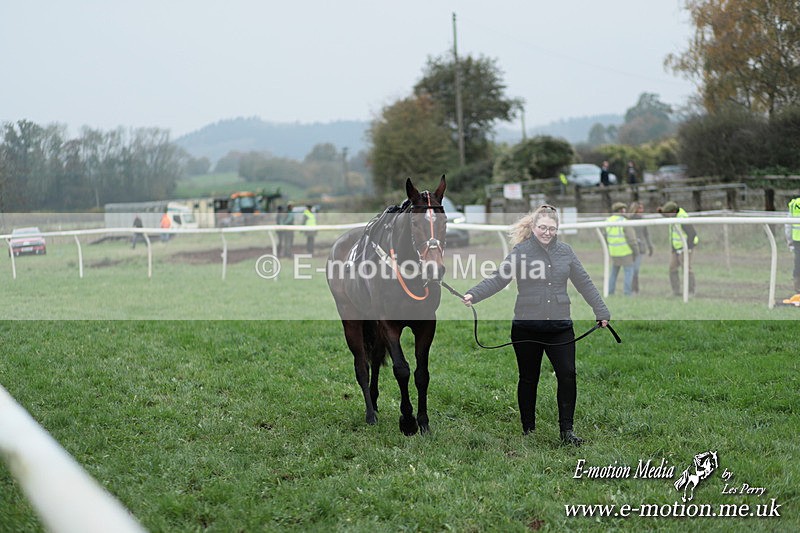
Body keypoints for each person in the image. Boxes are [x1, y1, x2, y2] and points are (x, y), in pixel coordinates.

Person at [461, 205, 610, 446]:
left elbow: (584, 282)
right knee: (529, 378)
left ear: (557, 229)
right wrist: (473, 294)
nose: (547, 232)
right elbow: (499, 278)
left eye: (552, 228)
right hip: (526, 328)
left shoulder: (566, 252)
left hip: (560, 327)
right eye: (543, 227)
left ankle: (567, 432)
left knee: (568, 374)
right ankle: (528, 429)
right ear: (533, 227)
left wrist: (601, 311)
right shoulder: (521, 251)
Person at [658, 201, 698, 296]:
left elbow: (692, 234)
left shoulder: (682, 218)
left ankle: (690, 291)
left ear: (673, 211)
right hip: (676, 248)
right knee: (672, 268)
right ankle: (675, 291)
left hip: (687, 247)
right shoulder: (673, 215)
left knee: (686, 269)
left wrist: (686, 249)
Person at [605, 202, 638, 296]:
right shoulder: (624, 222)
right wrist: (636, 251)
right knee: (628, 272)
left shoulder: (608, 221)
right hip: (625, 251)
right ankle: (627, 293)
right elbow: (632, 239)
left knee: (614, 273)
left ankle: (610, 292)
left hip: (613, 252)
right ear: (621, 210)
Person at [628, 201, 654, 295]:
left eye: (642, 208)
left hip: (640, 249)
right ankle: (632, 289)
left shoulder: (643, 221)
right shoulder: (629, 220)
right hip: (630, 248)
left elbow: (646, 234)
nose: (642, 211)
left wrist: (650, 246)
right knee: (632, 269)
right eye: (639, 209)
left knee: (636, 269)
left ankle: (635, 289)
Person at [786, 196, 800, 293]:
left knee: (798, 264)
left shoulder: (795, 204)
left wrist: (789, 240)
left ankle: (797, 287)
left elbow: (788, 224)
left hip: (797, 239)